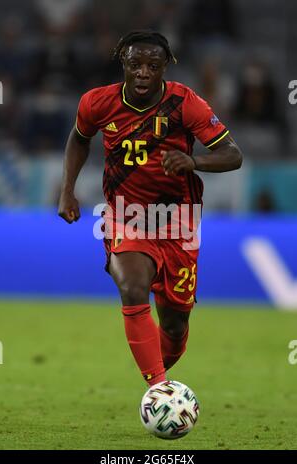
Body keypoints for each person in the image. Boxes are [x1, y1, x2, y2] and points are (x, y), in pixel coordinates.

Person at [58, 30, 242, 387]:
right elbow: (79, 138)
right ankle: (159, 391)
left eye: (153, 66)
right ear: (123, 64)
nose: (143, 72)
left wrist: (193, 161)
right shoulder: (96, 103)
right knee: (132, 286)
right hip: (126, 215)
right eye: (135, 64)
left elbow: (233, 154)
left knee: (174, 324)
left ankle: (157, 375)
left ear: (164, 69)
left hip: (178, 222)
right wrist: (68, 189)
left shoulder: (185, 104)